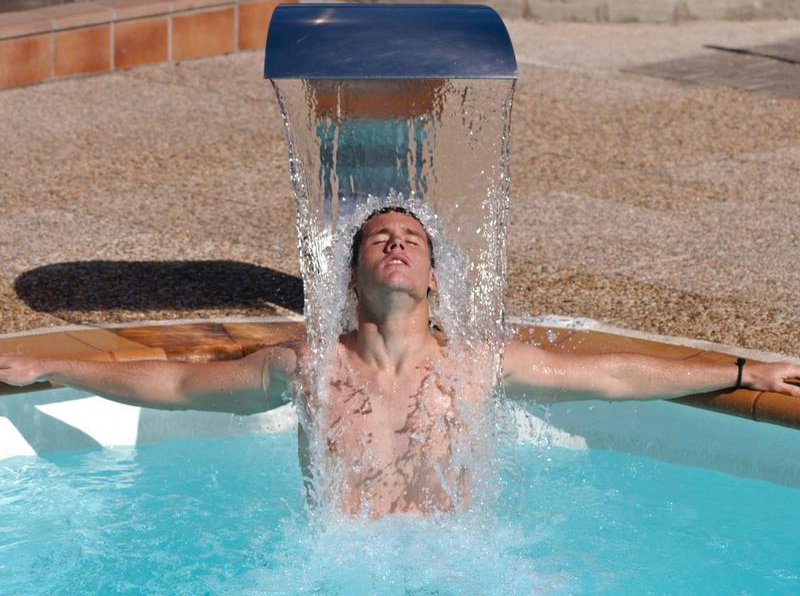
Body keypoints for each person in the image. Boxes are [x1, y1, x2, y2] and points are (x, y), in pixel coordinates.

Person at [1, 207, 799, 518]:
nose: (394, 243)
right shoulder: (304, 367)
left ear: (432, 276)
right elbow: (176, 384)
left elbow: (617, 375)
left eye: (410, 240)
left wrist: (741, 371)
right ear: (350, 275)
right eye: (379, 238)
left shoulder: (479, 364)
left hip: (463, 571)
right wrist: (53, 366)